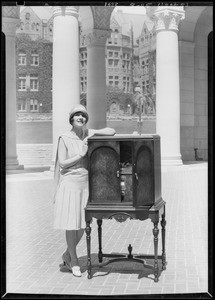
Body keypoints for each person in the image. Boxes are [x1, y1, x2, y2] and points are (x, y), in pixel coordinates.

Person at [53, 104, 116, 277]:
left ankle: (67, 254)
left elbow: (111, 131)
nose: (80, 118)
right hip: (70, 183)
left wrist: (95, 133)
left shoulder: (88, 134)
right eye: (77, 115)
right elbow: (63, 163)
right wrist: (81, 154)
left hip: (85, 183)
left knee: (83, 223)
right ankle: (74, 261)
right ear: (71, 119)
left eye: (83, 116)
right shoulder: (64, 137)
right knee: (71, 223)